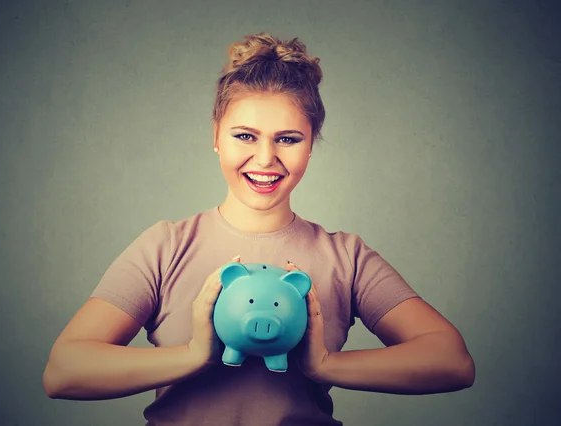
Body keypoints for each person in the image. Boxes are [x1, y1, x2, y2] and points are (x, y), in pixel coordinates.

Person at [42, 32, 475, 426]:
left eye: (288, 139)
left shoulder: (346, 257)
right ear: (216, 136)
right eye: (245, 137)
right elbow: (64, 372)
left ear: (311, 144)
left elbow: (452, 362)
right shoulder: (166, 247)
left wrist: (323, 364)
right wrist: (195, 355)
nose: (266, 159)